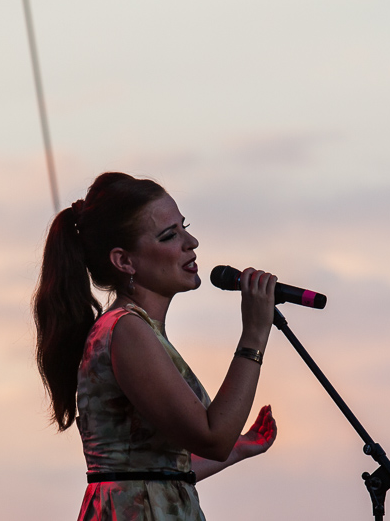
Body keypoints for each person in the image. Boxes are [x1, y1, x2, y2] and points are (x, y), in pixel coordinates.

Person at [33, 172, 278, 520]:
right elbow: (213, 438)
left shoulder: (135, 329)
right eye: (169, 235)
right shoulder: (126, 330)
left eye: (184, 227)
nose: (191, 242)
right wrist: (254, 333)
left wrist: (239, 447)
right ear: (124, 261)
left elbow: (152, 469)